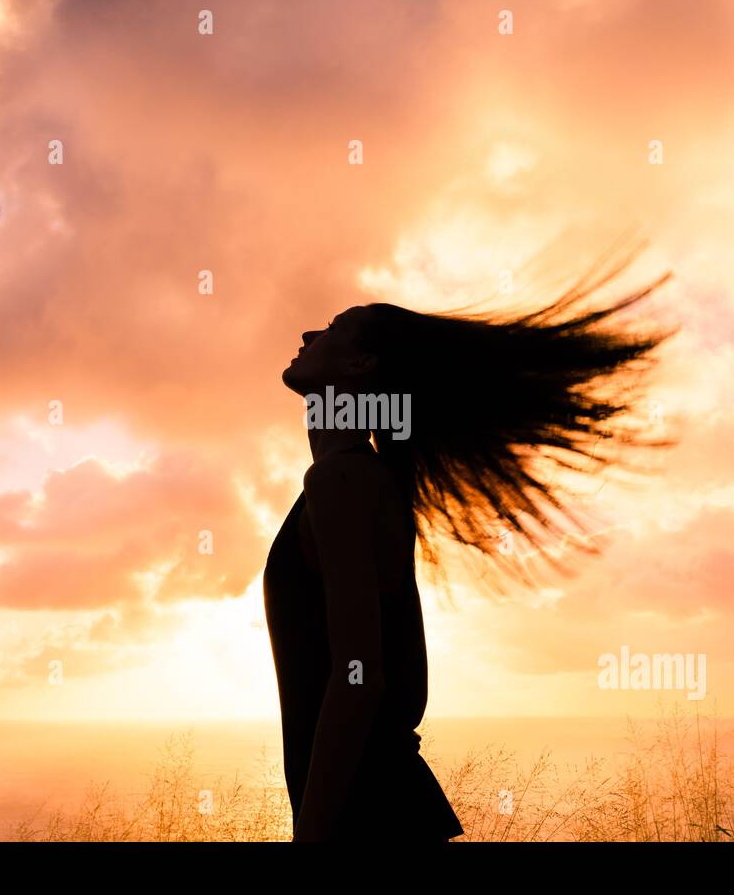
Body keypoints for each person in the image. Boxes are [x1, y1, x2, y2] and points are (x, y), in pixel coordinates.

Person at [263, 269, 671, 842]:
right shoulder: (357, 479)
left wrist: (311, 839)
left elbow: (363, 679)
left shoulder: (344, 480)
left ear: (360, 367)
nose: (309, 333)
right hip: (386, 808)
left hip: (371, 817)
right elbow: (400, 680)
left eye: (333, 329)